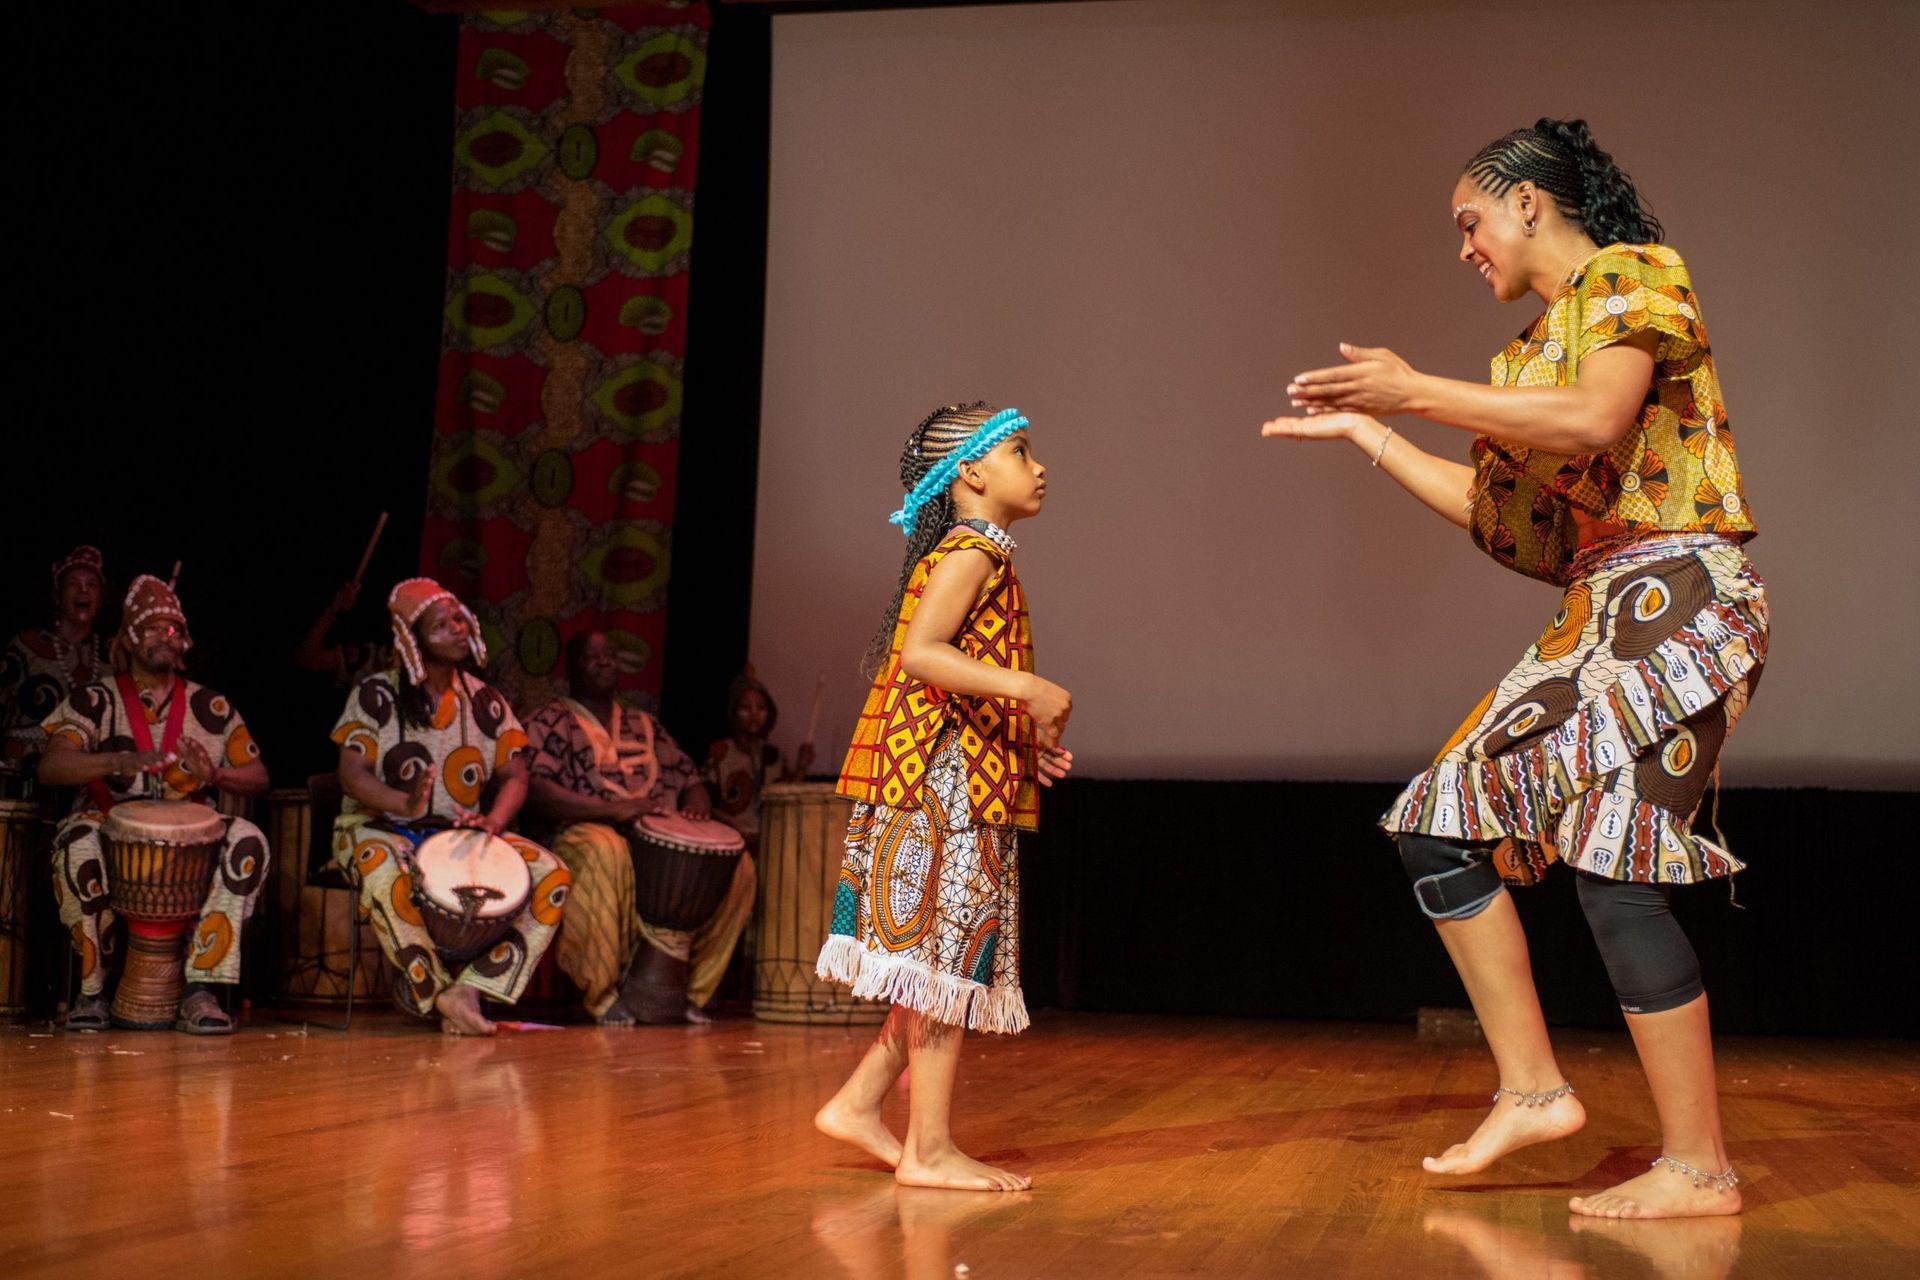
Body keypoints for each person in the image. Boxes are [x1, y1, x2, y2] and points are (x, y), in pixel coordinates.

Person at [1265, 119, 1763, 1220]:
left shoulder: (1634, 274)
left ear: (1530, 201)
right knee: (1567, 859)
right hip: (1603, 604)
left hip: (1678, 594)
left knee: (1513, 832)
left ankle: (1678, 1155)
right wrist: (1377, 439)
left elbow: (1597, 416)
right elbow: (1514, 530)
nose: (1466, 247)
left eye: (1471, 222)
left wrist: (1415, 393)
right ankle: (1582, 1110)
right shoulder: (1525, 356)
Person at [813, 403, 1074, 1192]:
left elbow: (945, 664)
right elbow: (924, 654)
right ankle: (926, 1150)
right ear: (971, 471)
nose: (1038, 467)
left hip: (949, 775)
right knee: (944, 963)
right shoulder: (973, 548)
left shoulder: (979, 548)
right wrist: (1024, 687)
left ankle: (861, 1105)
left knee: (937, 967)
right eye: (1021, 451)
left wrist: (1021, 734)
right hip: (939, 784)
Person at [328, 578, 569, 1036]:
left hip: (457, 834)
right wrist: (406, 801)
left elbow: (516, 775)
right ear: (411, 640)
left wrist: (495, 821)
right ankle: (436, 992)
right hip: (378, 828)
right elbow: (352, 774)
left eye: (460, 617)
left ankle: (472, 988)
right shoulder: (376, 695)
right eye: (441, 625)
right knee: (383, 871)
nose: (458, 629)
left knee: (552, 874)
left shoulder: (487, 702)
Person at [37, 574, 272, 1033]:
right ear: (126, 639)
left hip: (193, 837)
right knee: (77, 845)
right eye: (150, 628)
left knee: (248, 840)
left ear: (184, 641)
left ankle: (200, 988)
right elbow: (52, 765)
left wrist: (217, 775)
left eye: (173, 629)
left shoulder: (213, 706)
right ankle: (92, 992)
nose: (164, 637)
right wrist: (119, 758)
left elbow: (260, 778)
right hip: (105, 822)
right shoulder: (93, 699)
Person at [522, 631, 733, 1025]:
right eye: (592, 656)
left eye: (609, 654)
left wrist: (697, 809)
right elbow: (534, 790)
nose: (604, 661)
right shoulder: (550, 721)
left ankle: (685, 992)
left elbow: (690, 779)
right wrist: (610, 810)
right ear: (572, 669)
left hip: (658, 842)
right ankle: (603, 994)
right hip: (581, 833)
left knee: (737, 870)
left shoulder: (644, 724)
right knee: (606, 848)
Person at [1, 545, 107, 775]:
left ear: (99, 600)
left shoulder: (112, 658)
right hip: (22, 776)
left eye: (92, 584)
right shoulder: (25, 646)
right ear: (57, 596)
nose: (83, 590)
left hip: (88, 782)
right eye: (73, 583)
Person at [704, 668, 817, 849]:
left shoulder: (774, 755)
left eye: (761, 708)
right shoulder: (720, 751)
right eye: (746, 708)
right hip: (729, 843)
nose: (754, 714)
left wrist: (802, 767)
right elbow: (707, 804)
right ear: (734, 712)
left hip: (768, 843)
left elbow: (784, 800)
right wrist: (736, 828)